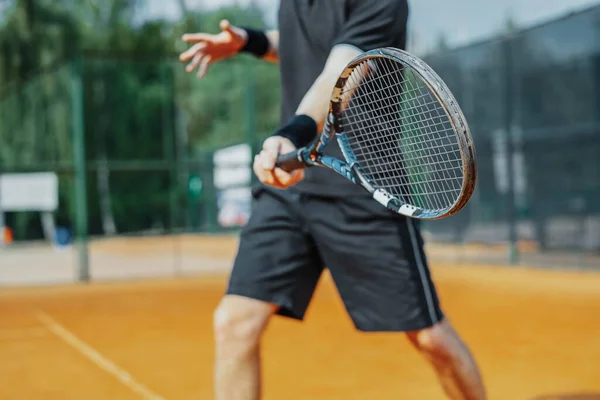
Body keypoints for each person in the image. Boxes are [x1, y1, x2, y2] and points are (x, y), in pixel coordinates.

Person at [179, 1, 487, 399]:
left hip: (363, 189)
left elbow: (339, 72)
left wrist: (294, 134)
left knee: (431, 339)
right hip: (290, 192)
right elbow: (299, 46)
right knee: (235, 321)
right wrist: (249, 42)